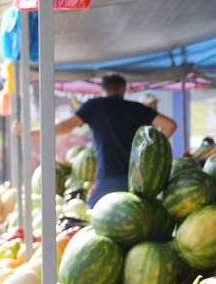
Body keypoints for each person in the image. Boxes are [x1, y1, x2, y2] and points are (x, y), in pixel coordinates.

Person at [46, 74, 177, 204]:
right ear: (122, 89)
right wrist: (151, 151)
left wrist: (33, 133)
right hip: (138, 178)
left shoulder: (94, 106)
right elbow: (169, 126)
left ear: (103, 90)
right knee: (136, 217)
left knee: (94, 215)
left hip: (109, 176)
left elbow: (65, 126)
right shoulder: (137, 108)